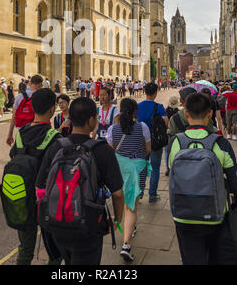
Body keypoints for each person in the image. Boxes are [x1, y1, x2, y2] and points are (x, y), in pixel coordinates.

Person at [35, 97, 124, 266]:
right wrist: (117, 220)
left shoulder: (56, 147)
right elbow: (118, 194)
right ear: (91, 120)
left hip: (57, 225)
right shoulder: (102, 150)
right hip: (87, 227)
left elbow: (40, 188)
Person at [168, 92, 237, 265]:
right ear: (210, 114)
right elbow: (236, 185)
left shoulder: (175, 143)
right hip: (215, 216)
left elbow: (173, 171)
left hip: (183, 215)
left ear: (186, 113)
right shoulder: (221, 144)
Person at [9, 88, 62, 265]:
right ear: (52, 110)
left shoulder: (21, 134)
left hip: (22, 198)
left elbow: (13, 157)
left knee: (24, 250)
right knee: (55, 251)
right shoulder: (55, 138)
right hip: (48, 202)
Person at [107, 98, 151, 262]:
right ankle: (126, 245)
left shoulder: (113, 129)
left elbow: (110, 152)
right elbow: (147, 150)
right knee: (131, 207)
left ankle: (129, 228)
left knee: (124, 202)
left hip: (119, 171)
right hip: (137, 170)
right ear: (135, 112)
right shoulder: (143, 127)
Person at [137, 82, 168, 203]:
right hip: (155, 142)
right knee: (155, 168)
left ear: (144, 92)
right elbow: (166, 122)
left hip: (141, 142)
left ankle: (139, 193)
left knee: (141, 167)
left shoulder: (138, 106)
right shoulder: (159, 107)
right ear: (155, 93)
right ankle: (152, 194)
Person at [6, 74, 44, 146]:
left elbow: (14, 117)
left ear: (30, 83)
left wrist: (10, 134)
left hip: (22, 132)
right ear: (40, 84)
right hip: (37, 132)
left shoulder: (20, 96)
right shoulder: (42, 96)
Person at [164, 96, 180, 176]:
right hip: (177, 135)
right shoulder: (178, 113)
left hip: (168, 134)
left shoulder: (165, 111)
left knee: (167, 151)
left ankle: (167, 168)